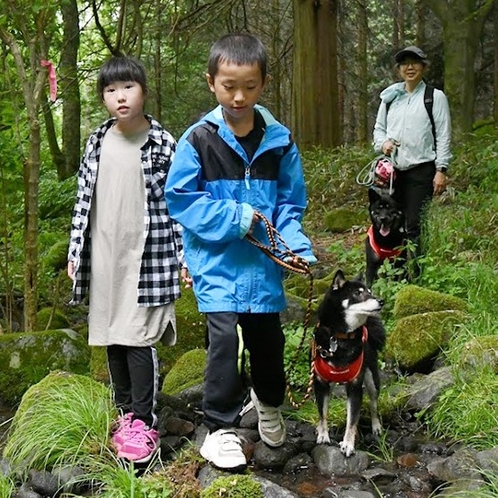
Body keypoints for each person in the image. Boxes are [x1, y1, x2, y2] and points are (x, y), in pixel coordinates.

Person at [164, 33, 316, 469]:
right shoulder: (197, 140)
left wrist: (295, 248)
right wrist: (237, 217)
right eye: (229, 85)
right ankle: (220, 428)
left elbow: (291, 204)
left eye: (249, 86)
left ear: (263, 83)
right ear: (211, 82)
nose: (238, 96)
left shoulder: (280, 141)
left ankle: (267, 404)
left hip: (264, 264)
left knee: (269, 340)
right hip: (215, 263)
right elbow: (182, 200)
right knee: (225, 341)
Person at [66, 55, 188, 464]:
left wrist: (184, 257)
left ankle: (144, 420)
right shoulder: (97, 140)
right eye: (111, 90)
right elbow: (84, 198)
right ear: (103, 97)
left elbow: (179, 204)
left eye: (128, 88)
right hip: (104, 254)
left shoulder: (164, 142)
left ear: (144, 91)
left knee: (138, 336)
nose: (120, 97)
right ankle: (123, 412)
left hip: (148, 254)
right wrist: (75, 251)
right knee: (111, 335)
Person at [372, 45, 452, 279]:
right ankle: (396, 275)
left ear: (423, 67)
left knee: (414, 224)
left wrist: (441, 170)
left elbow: (444, 134)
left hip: (422, 170)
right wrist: (383, 144)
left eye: (415, 62)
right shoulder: (390, 98)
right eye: (404, 63)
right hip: (393, 173)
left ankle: (416, 275)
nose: (409, 67)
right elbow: (378, 130)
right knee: (392, 223)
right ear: (399, 69)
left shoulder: (434, 97)